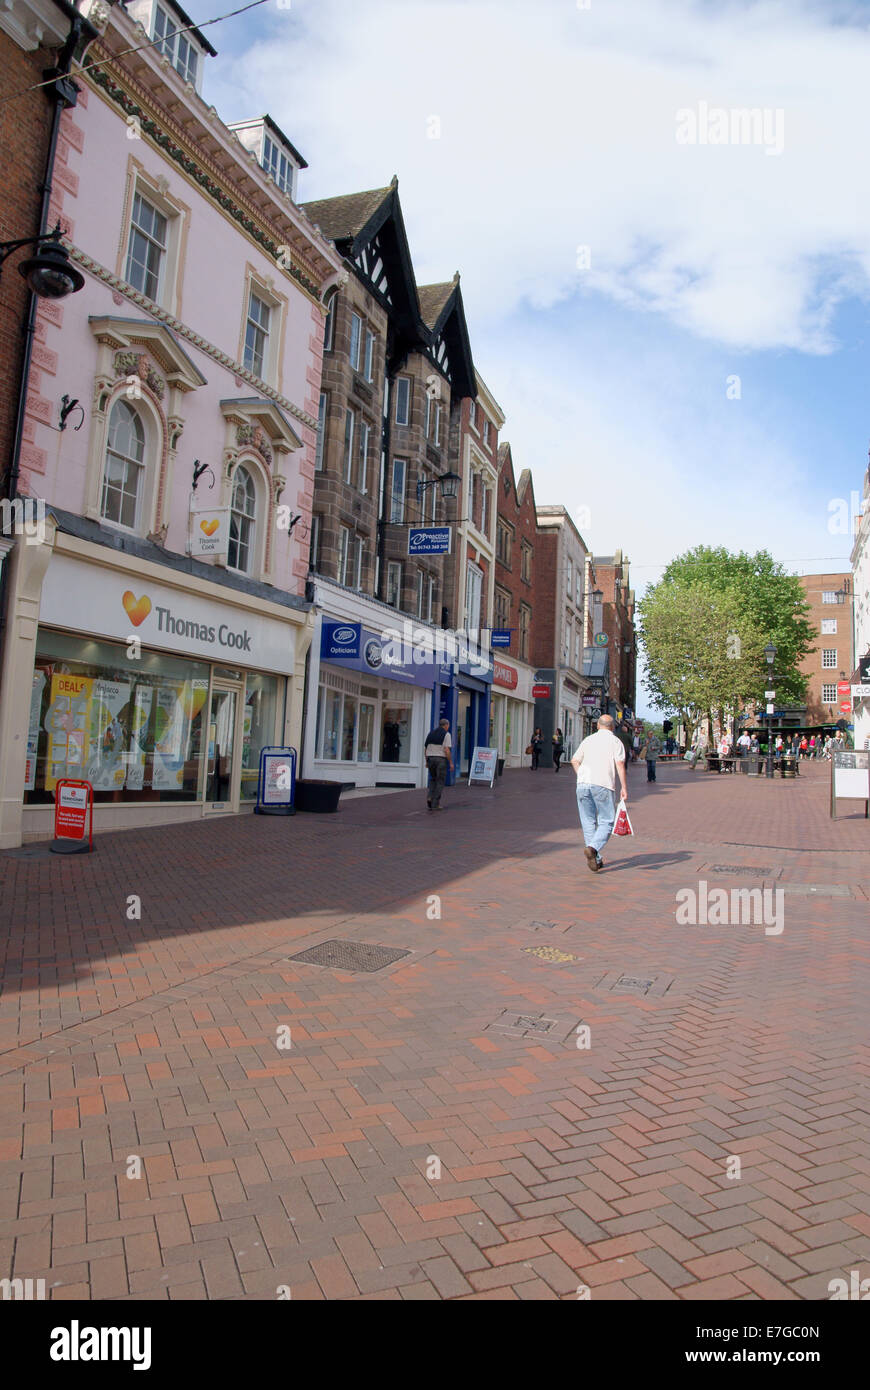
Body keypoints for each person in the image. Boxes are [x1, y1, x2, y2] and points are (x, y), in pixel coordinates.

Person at [570, 713, 628, 873]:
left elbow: (574, 760)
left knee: (588, 821)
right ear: (612, 727)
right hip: (603, 784)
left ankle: (596, 858)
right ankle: (594, 848)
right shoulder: (615, 741)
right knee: (607, 821)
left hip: (582, 783)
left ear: (597, 725)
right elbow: (620, 764)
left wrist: (581, 774)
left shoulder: (588, 740)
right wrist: (624, 787)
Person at [423, 718, 453, 811]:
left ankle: (429, 797)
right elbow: (447, 750)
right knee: (440, 781)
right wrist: (451, 762)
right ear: (446, 725)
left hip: (430, 758)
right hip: (440, 759)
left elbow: (425, 748)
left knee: (433, 779)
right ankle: (435, 804)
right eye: (448, 725)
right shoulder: (446, 734)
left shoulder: (430, 733)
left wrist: (427, 761)